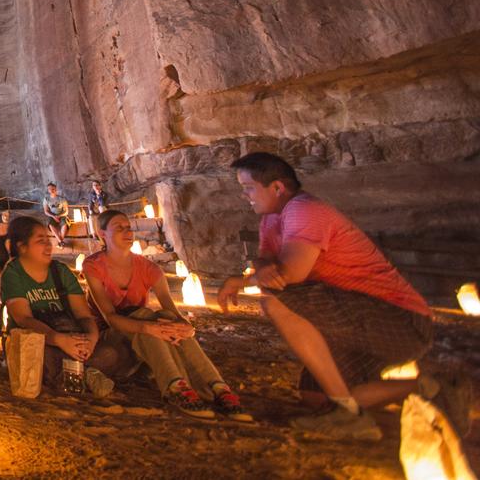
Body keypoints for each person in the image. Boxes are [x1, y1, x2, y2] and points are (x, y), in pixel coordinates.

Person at [218, 152, 468, 440]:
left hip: (400, 320)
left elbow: (290, 275)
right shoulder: (271, 219)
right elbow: (265, 262)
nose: (245, 196)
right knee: (315, 397)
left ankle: (347, 413)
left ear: (277, 187)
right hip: (354, 317)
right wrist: (260, 270)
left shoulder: (304, 210)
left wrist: (243, 280)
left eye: (248, 187)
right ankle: (433, 388)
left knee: (276, 301)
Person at [85, 210, 249, 420]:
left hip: (144, 330)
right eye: (119, 228)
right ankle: (187, 387)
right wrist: (148, 326)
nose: (127, 232)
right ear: (102, 234)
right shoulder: (93, 266)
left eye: (128, 228)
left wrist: (186, 327)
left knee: (165, 317)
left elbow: (171, 310)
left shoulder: (148, 268)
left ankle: (215, 388)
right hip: (112, 332)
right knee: (146, 317)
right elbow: (110, 318)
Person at [0, 215, 128, 398]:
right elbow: (24, 319)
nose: (48, 245)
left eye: (48, 239)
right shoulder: (13, 274)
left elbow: (83, 315)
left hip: (70, 335)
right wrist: (59, 340)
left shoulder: (60, 272)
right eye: (40, 240)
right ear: (22, 247)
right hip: (40, 341)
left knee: (111, 353)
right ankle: (84, 373)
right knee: (41, 358)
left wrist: (91, 339)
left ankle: (74, 373)